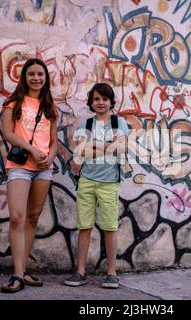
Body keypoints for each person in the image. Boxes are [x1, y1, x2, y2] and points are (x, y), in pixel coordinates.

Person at [0, 58, 58, 293]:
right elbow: (7, 132)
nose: (36, 78)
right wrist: (33, 150)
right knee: (17, 217)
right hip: (20, 166)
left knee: (32, 218)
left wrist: (50, 156)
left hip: (44, 168)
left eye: (40, 74)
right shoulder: (13, 103)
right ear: (24, 77)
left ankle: (23, 272)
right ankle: (17, 274)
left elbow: (54, 142)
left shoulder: (50, 107)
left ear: (45, 78)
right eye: (31, 74)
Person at [64, 83, 128, 289]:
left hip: (109, 183)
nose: (101, 103)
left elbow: (122, 147)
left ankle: (111, 273)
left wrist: (96, 146)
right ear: (91, 102)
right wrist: (109, 146)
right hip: (87, 182)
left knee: (110, 227)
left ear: (111, 102)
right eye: (97, 99)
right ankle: (80, 271)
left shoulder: (120, 123)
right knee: (84, 226)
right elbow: (82, 153)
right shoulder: (86, 125)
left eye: (105, 99)